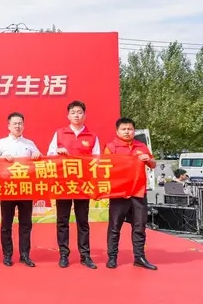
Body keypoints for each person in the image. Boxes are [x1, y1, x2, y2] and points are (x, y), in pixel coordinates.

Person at [46, 100, 99, 269]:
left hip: (83, 184)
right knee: (62, 220)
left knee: (83, 221)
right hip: (63, 183)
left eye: (79, 112)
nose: (77, 115)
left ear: (85, 115)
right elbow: (49, 155)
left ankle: (85, 255)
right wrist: (57, 152)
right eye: (73, 112)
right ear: (68, 115)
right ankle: (64, 254)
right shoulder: (59, 133)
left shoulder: (92, 136)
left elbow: (97, 160)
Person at [103, 117, 158, 270]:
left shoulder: (141, 146)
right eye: (123, 129)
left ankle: (139, 257)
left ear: (134, 131)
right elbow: (104, 168)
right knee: (115, 227)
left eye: (130, 129)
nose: (127, 132)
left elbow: (153, 164)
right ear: (117, 131)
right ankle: (112, 257)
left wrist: (148, 159)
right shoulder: (110, 147)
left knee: (139, 226)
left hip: (138, 192)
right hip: (119, 193)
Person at [0, 112, 42, 267]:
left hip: (25, 188)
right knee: (6, 224)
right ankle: (7, 254)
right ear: (9, 126)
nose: (17, 126)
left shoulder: (29, 143)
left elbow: (40, 160)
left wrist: (38, 154)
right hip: (8, 188)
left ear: (23, 125)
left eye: (20, 123)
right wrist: (2, 157)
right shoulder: (1, 143)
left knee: (26, 223)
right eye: (14, 123)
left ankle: (25, 255)